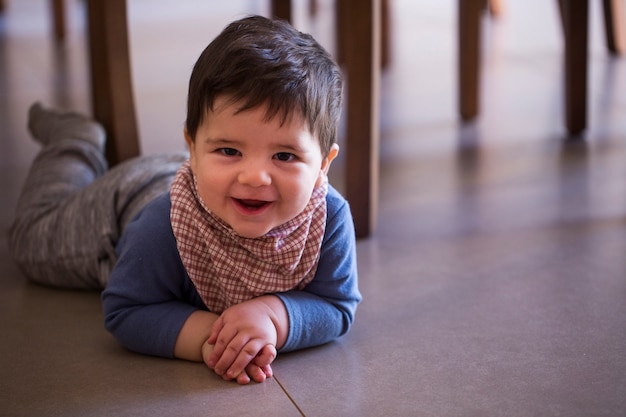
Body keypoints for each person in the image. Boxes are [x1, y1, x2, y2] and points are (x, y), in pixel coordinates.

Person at [8, 15, 361, 385]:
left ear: (323, 166)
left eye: (285, 156)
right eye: (229, 150)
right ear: (191, 148)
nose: (255, 176)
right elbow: (126, 310)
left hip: (207, 182)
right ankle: (75, 141)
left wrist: (274, 318)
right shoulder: (164, 225)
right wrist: (215, 339)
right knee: (30, 238)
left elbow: (337, 305)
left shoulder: (328, 217)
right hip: (119, 209)